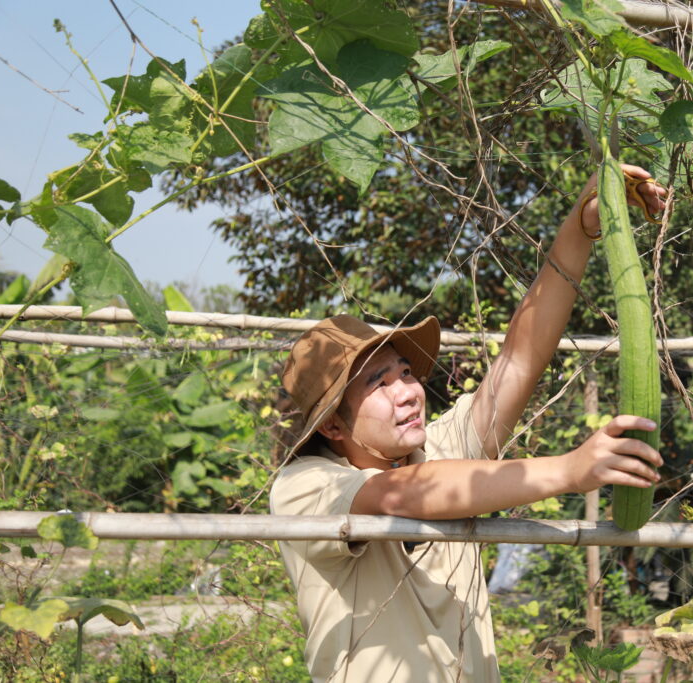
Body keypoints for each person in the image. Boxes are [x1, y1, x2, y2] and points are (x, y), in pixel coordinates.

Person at [270, 165, 667, 682]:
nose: (408, 392)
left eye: (405, 373)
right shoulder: (303, 487)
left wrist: (581, 226)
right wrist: (571, 469)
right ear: (332, 428)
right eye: (378, 385)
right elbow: (399, 495)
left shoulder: (440, 448)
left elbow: (521, 359)